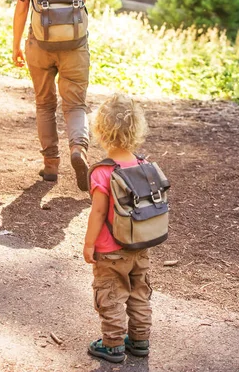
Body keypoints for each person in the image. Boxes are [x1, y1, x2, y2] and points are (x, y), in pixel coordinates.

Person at [12, 0, 91, 191]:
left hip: (40, 46)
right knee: (76, 105)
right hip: (75, 46)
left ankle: (50, 166)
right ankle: (78, 150)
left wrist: (16, 45)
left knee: (45, 104)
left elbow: (21, 9)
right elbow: (81, 7)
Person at [84, 94, 152, 364]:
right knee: (139, 292)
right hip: (140, 245)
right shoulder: (144, 165)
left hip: (111, 249)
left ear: (100, 129)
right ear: (138, 129)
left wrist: (89, 243)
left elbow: (99, 212)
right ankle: (139, 340)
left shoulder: (103, 172)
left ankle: (112, 344)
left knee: (111, 294)